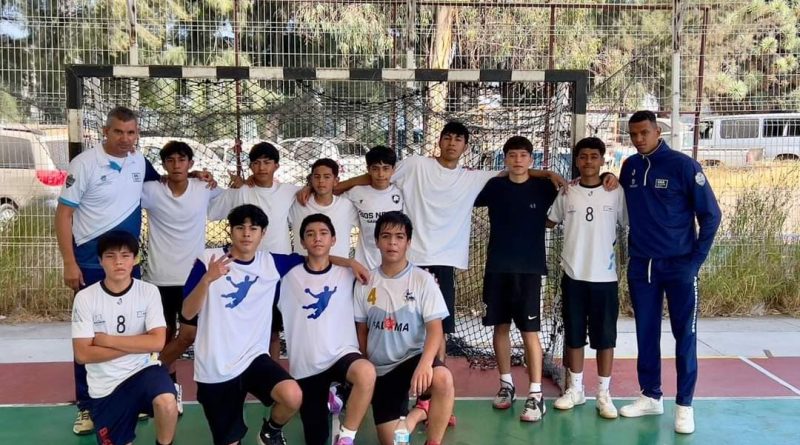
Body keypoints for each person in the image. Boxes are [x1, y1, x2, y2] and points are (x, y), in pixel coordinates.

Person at [338, 122, 567, 361]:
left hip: (444, 263)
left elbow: (515, 171)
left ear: (465, 146)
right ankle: (393, 372)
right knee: (402, 322)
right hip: (412, 261)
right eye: (447, 138)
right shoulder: (416, 165)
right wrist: (337, 186)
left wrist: (547, 173)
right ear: (439, 141)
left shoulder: (472, 177)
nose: (452, 143)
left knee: (440, 328)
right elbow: (377, 175)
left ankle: (434, 378)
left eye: (458, 139)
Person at [182, 204, 367, 445]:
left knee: (291, 395)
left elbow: (316, 254)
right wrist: (207, 279)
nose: (246, 234)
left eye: (253, 228)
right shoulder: (208, 260)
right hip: (216, 366)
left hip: (254, 358)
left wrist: (351, 263)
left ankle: (271, 431)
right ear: (230, 231)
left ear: (263, 233)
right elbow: (187, 311)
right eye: (240, 228)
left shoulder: (272, 263)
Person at [56, 106, 161, 435]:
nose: (125, 139)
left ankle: (131, 395)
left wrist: (199, 178)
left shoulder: (139, 162)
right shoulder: (84, 164)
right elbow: (63, 216)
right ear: (105, 131)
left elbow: (169, 185)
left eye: (131, 133)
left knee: (135, 331)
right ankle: (86, 406)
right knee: (87, 337)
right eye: (118, 132)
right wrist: (69, 262)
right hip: (90, 262)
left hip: (128, 263)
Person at [618, 110, 721, 434]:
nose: (638, 140)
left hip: (679, 266)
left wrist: (695, 260)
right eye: (633, 134)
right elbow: (618, 200)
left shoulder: (683, 166)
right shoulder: (630, 167)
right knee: (645, 334)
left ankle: (685, 405)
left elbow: (712, 216)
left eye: (644, 133)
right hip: (642, 266)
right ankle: (650, 395)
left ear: (657, 132)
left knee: (684, 336)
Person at [473, 136, 558, 422]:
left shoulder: (544, 186)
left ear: (531, 160)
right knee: (500, 327)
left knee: (530, 332)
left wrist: (549, 174)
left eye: (523, 155)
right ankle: (506, 384)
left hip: (530, 271)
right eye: (512, 155)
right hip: (497, 269)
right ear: (505, 159)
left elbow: (570, 191)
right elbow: (467, 192)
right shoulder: (495, 187)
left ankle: (536, 394)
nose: (518, 160)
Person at [354, 211, 455, 445]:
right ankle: (420, 411)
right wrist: (366, 369)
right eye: (386, 236)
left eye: (399, 237)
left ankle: (433, 441)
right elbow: (362, 331)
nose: (392, 243)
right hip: (381, 370)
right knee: (391, 441)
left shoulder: (423, 280)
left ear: (408, 242)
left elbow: (435, 329)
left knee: (443, 378)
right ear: (377, 241)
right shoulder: (365, 282)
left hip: (412, 360)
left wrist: (425, 364)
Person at [71, 231, 178, 445]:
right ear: (100, 261)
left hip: (143, 371)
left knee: (167, 402)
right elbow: (82, 354)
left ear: (134, 260)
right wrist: (139, 343)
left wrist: (107, 340)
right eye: (110, 256)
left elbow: (157, 342)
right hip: (106, 386)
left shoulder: (149, 292)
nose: (118, 262)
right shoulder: (85, 298)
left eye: (125, 255)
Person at [277, 213, 376, 445]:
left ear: (333, 239)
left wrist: (350, 263)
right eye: (310, 234)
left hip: (342, 354)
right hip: (307, 366)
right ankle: (336, 395)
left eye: (323, 233)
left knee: (366, 372)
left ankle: (346, 436)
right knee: (316, 437)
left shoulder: (349, 275)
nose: (317, 239)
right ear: (302, 242)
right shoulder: (286, 274)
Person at [141, 140, 223, 414]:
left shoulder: (204, 188)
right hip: (159, 278)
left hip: (192, 279)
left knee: (190, 335)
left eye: (182, 160)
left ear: (190, 164)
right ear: (163, 165)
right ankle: (168, 389)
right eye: (171, 160)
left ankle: (147, 379)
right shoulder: (151, 190)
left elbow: (233, 195)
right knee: (164, 337)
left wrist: (209, 176)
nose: (176, 165)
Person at [547, 137, 626, 419]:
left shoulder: (615, 192)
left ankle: (603, 394)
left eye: (594, 156)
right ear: (576, 160)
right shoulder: (568, 192)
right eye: (583, 157)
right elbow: (550, 220)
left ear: (602, 160)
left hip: (604, 278)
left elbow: (627, 223)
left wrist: (612, 178)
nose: (588, 161)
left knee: (605, 339)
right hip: (574, 275)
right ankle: (576, 390)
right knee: (575, 335)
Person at [208, 141, 302, 358]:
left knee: (273, 331)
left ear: (276, 166)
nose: (261, 167)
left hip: (276, 270)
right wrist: (204, 179)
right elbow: (213, 211)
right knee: (242, 324)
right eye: (256, 163)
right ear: (250, 167)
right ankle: (239, 371)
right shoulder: (241, 191)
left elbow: (317, 187)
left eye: (267, 162)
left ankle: (273, 381)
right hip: (246, 270)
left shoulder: (288, 191)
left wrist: (307, 188)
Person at [342, 145, 404, 269]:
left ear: (393, 170)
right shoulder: (356, 192)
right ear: (368, 170)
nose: (381, 174)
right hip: (365, 264)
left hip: (394, 264)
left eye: (385, 169)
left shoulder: (401, 192)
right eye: (375, 169)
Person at [289, 158, 358, 258]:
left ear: (336, 181)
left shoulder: (347, 206)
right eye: (317, 177)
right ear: (311, 179)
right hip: (303, 268)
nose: (321, 181)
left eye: (327, 177)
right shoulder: (298, 203)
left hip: (338, 269)